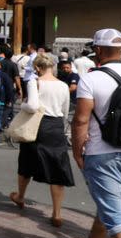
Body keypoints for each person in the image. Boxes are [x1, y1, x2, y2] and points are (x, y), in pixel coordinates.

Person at [71, 29, 121, 238]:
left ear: (97, 50)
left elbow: (81, 119)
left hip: (101, 153)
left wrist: (77, 151)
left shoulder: (91, 79)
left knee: (116, 217)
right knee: (110, 206)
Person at [9, 54, 73, 226]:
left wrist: (22, 105)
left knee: (27, 162)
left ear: (37, 68)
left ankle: (20, 196)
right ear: (53, 66)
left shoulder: (34, 82)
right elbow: (66, 110)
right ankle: (57, 213)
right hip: (56, 125)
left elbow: (32, 106)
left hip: (38, 124)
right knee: (57, 167)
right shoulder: (63, 85)